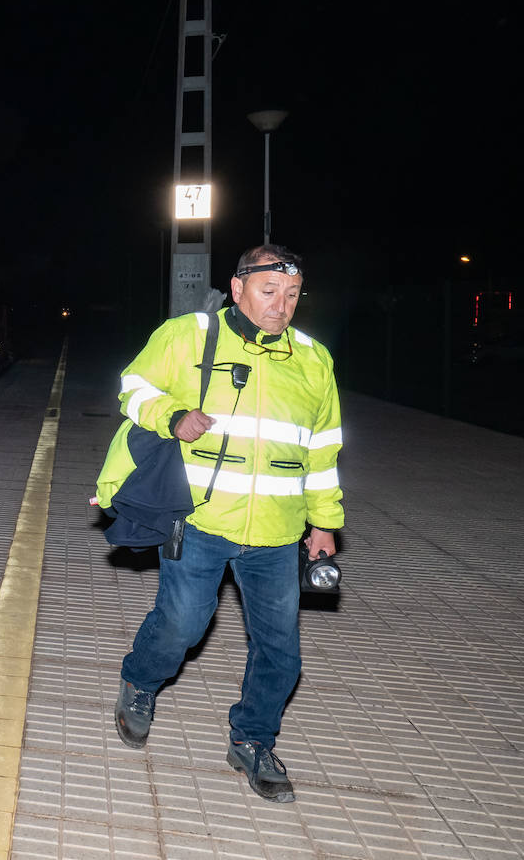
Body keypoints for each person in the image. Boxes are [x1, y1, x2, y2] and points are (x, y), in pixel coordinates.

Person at [95, 244, 344, 803]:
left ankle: (252, 739)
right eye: (269, 291)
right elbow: (132, 387)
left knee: (282, 652)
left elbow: (323, 449)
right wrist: (172, 415)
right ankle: (140, 679)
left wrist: (324, 526)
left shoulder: (313, 360)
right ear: (238, 288)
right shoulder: (188, 335)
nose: (281, 306)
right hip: (201, 519)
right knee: (184, 624)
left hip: (277, 535)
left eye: (292, 295)